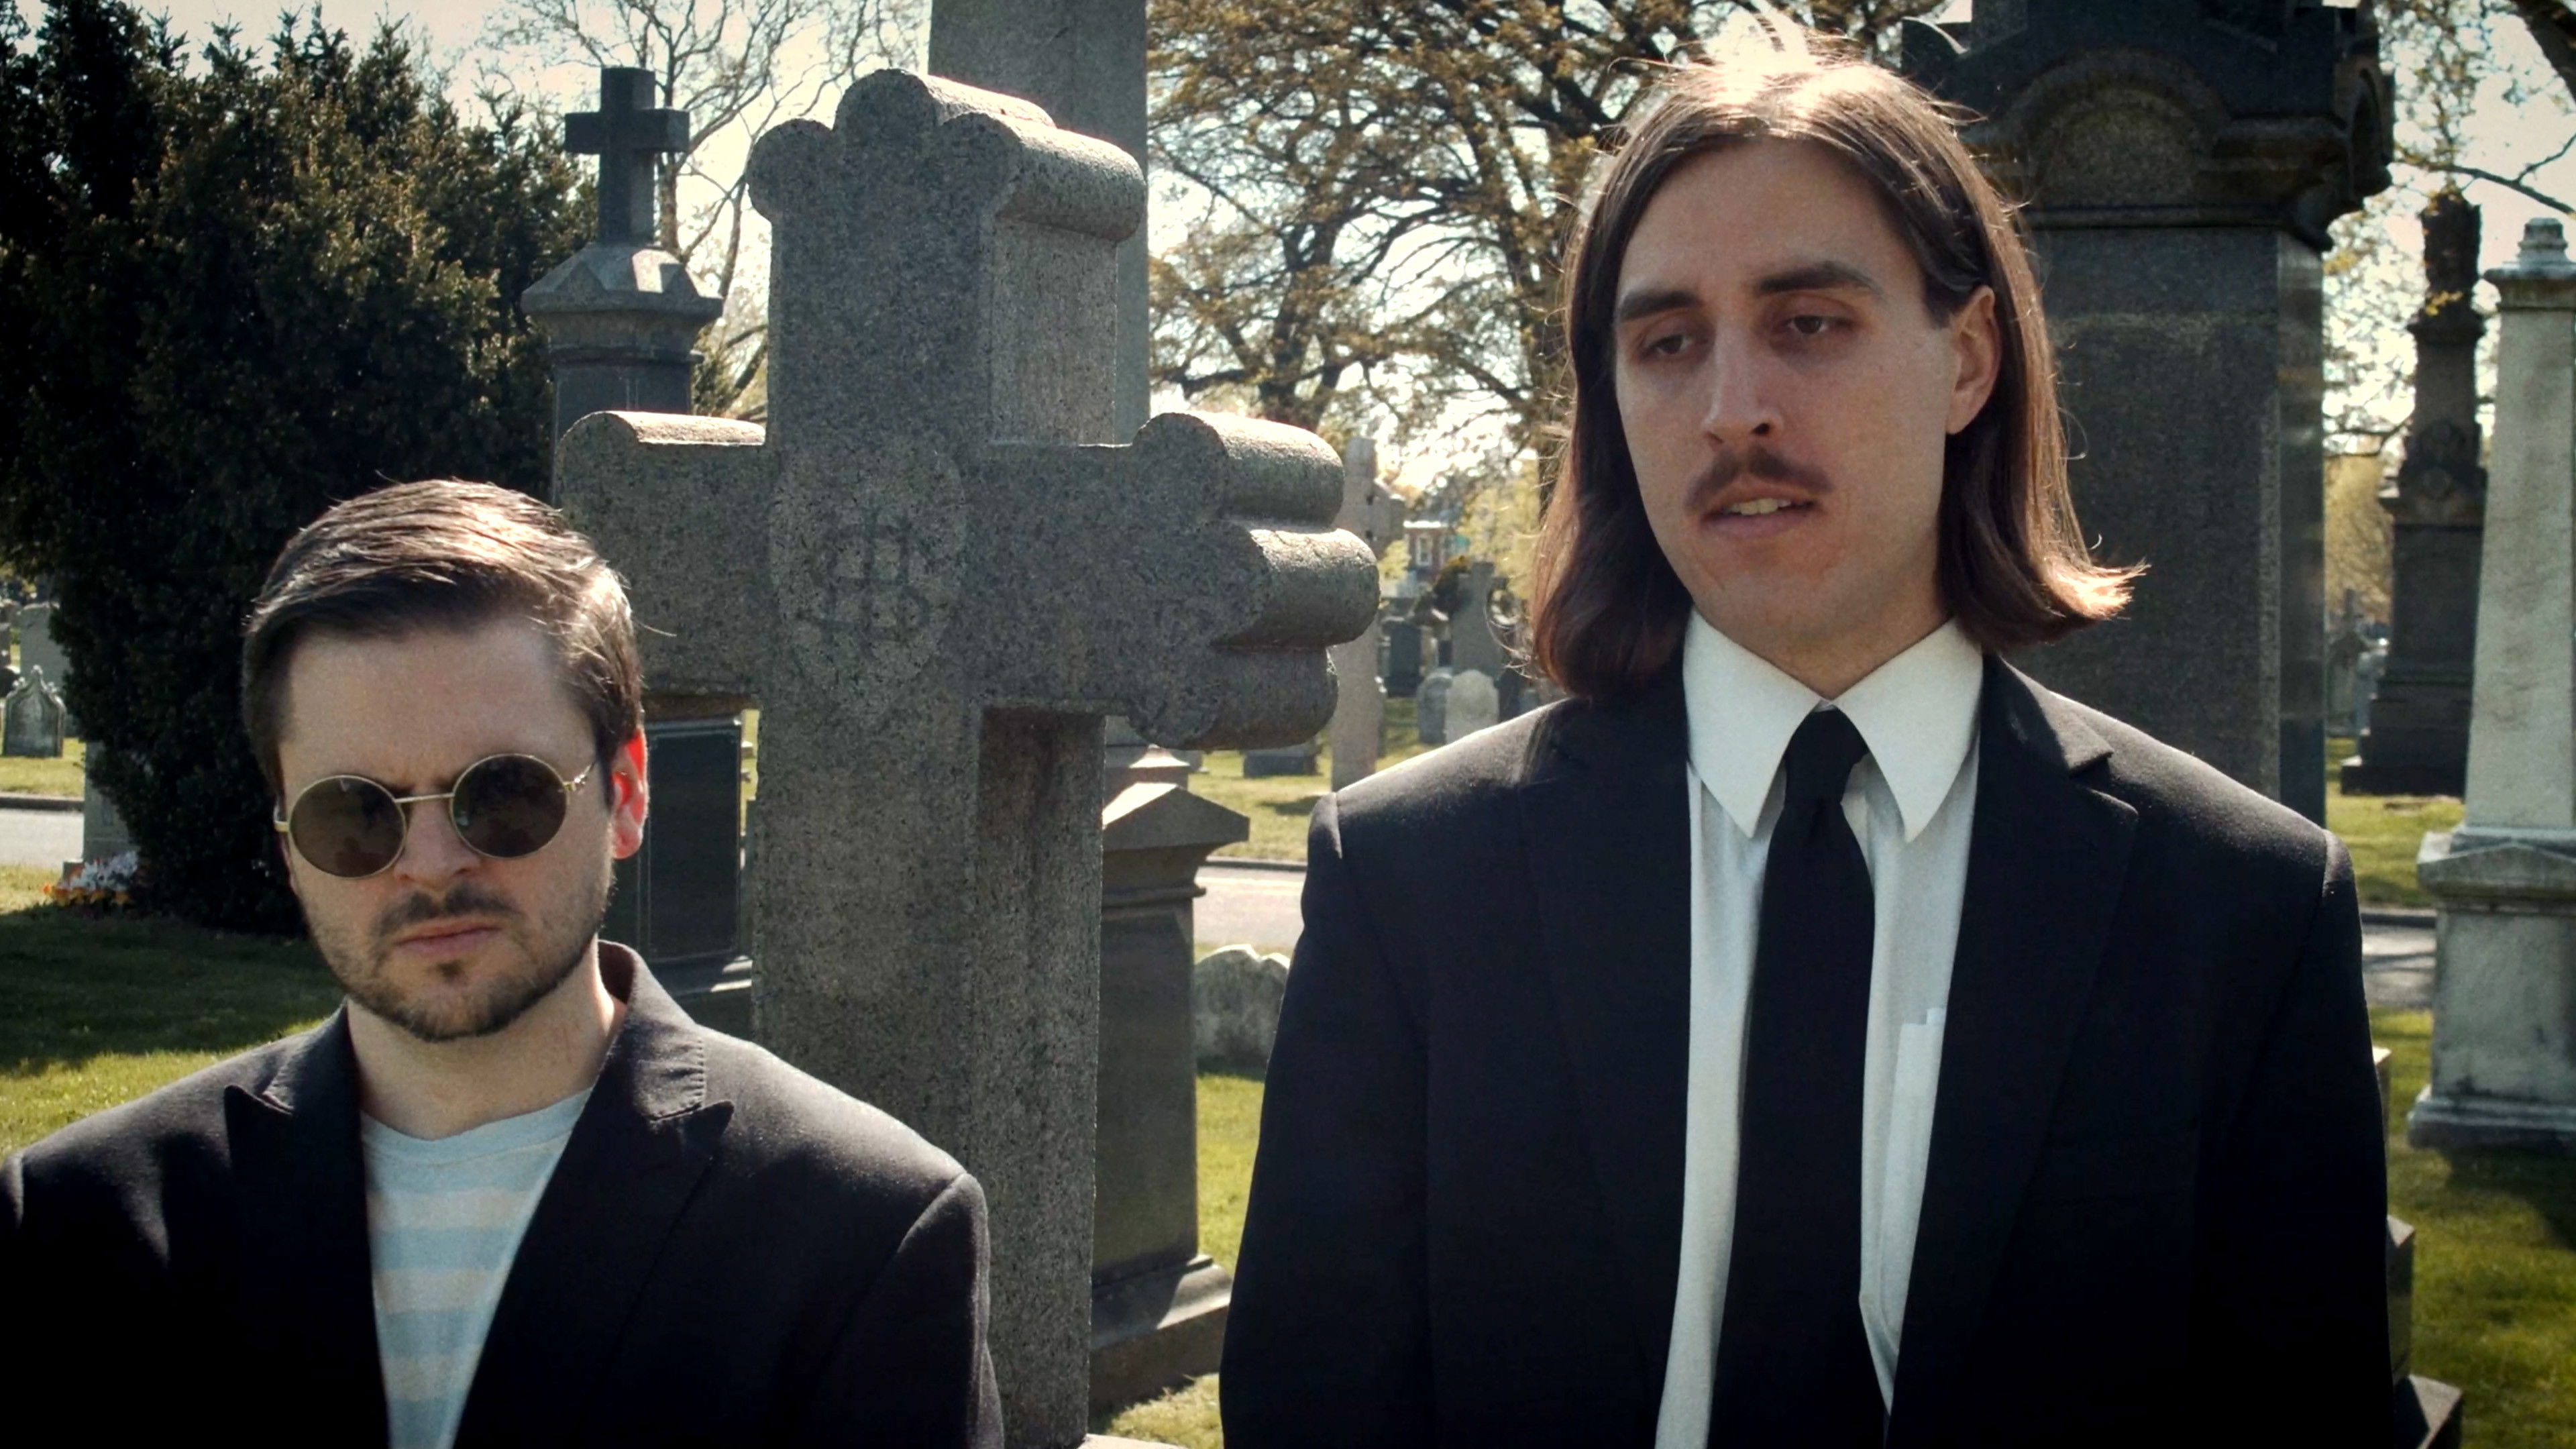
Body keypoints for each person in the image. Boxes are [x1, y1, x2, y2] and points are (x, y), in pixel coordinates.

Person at [1221, 28, 2387, 1449]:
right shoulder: (1414, 883)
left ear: (1967, 361)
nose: (1733, 409)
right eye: (1667, 344)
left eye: (1810, 322)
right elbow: (1314, 1408)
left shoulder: (2241, 909)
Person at [0, 481, 1001, 1447]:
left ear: (625, 793)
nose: (432, 865)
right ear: (288, 843)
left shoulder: (863, 1233)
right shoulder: (76, 1222)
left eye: (504, 793)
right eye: (356, 812)